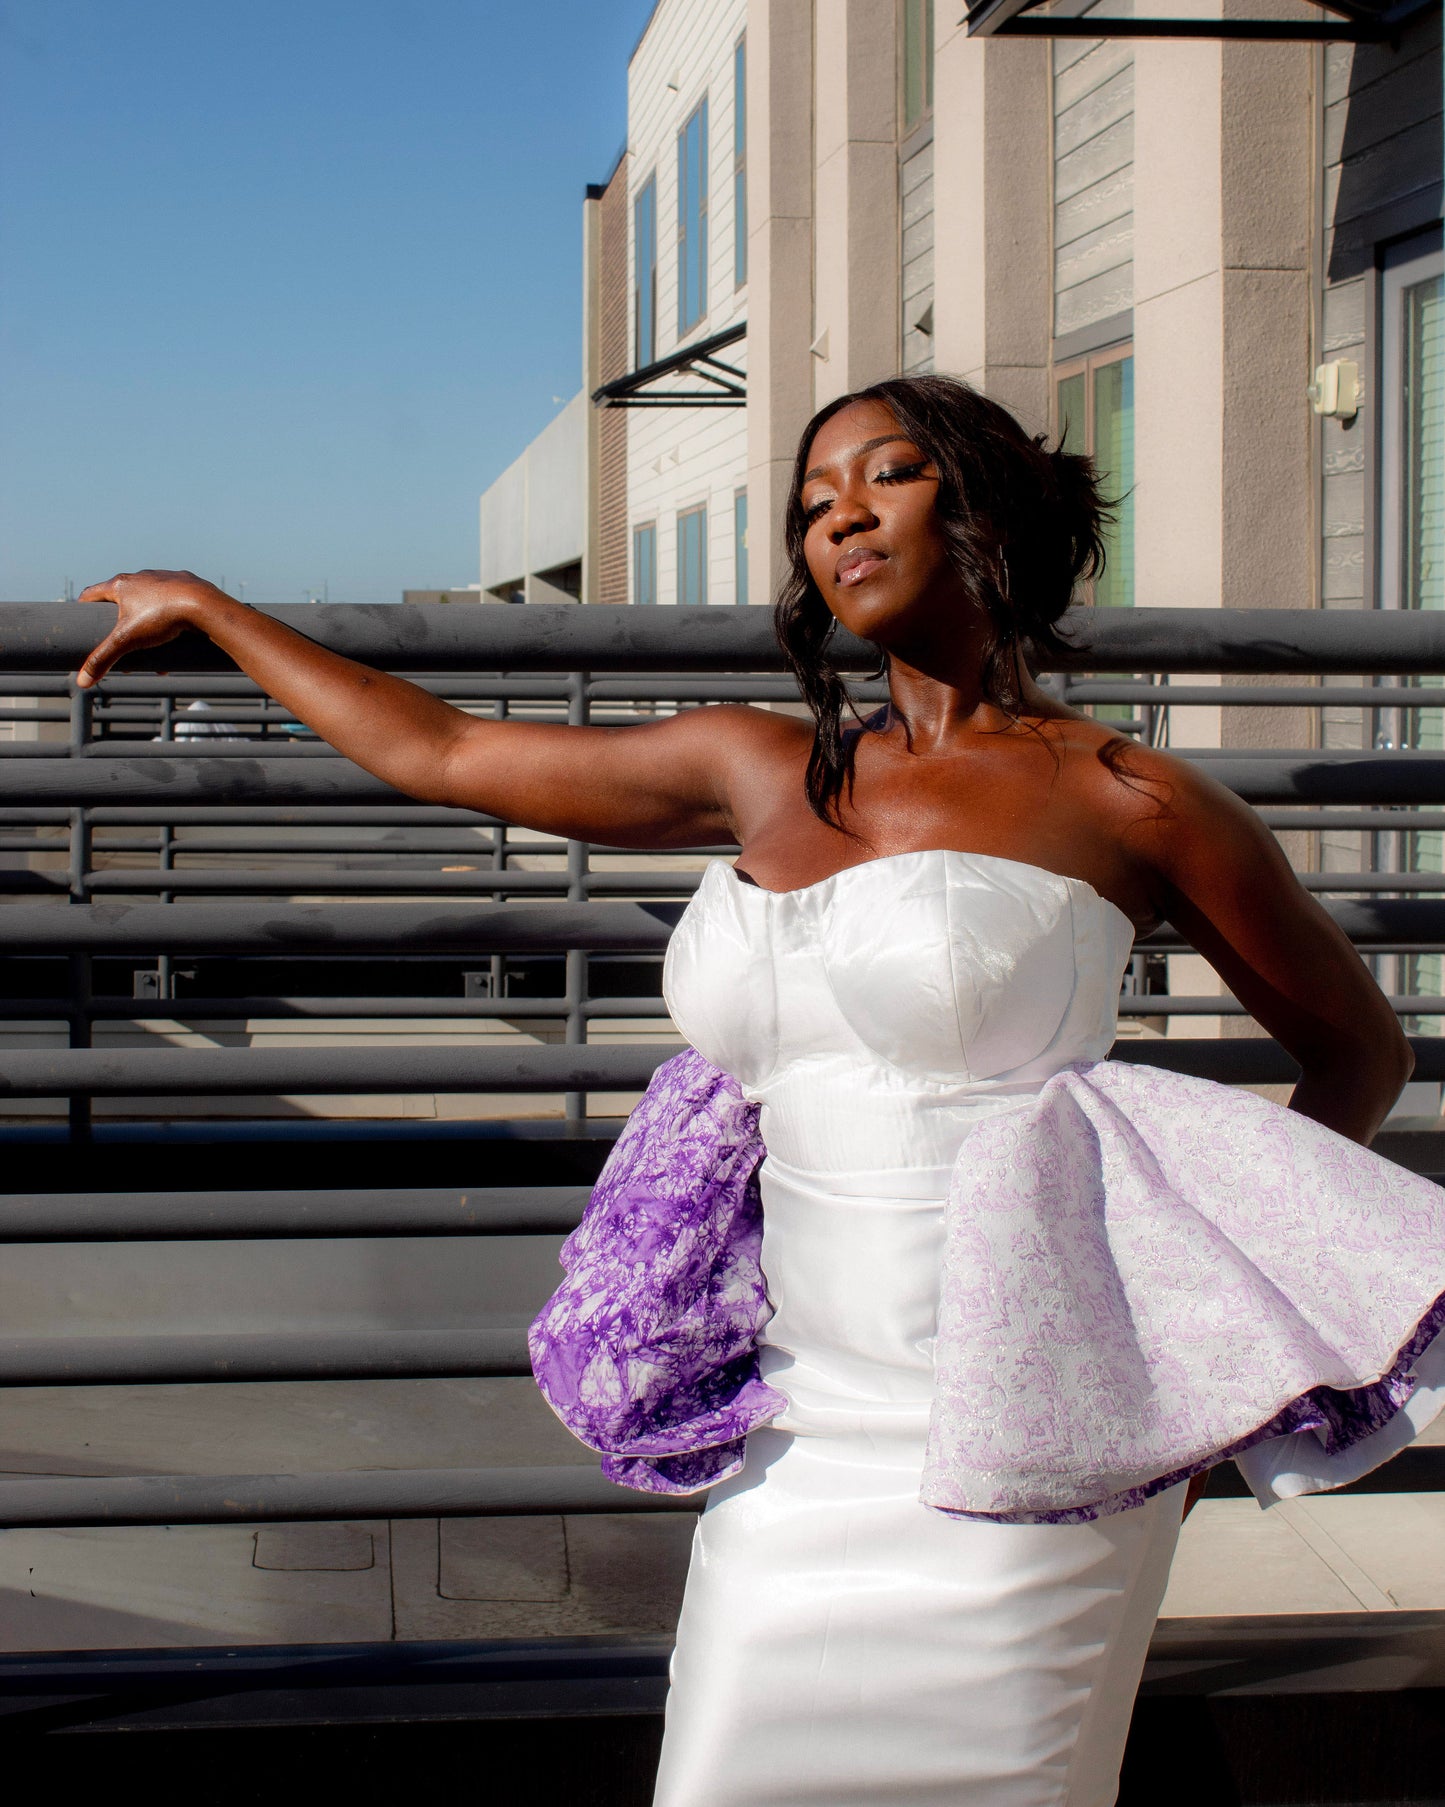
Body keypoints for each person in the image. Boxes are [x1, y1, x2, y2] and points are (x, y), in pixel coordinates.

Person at [79, 376, 1440, 1807]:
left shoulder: (1129, 798)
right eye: (811, 502)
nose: (839, 517)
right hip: (798, 1431)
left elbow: (1360, 1053)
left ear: (985, 507)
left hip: (1030, 1426)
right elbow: (448, 751)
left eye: (888, 475)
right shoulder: (755, 763)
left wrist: (1213, 1337)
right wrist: (217, 612)